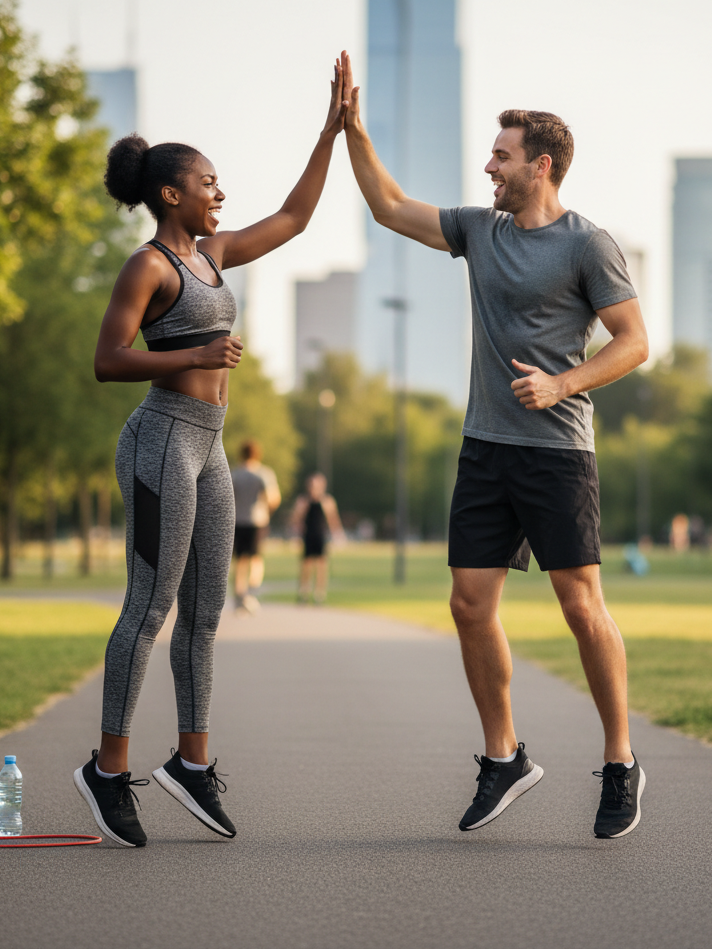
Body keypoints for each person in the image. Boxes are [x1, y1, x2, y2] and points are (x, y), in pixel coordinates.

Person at [338, 51, 649, 839]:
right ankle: (503, 757)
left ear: (540, 166)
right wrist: (353, 130)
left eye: (501, 157)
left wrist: (562, 384)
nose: (488, 167)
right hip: (485, 448)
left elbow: (634, 342)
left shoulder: (588, 245)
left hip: (557, 454)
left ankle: (619, 762)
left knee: (582, 608)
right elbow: (389, 206)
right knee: (468, 604)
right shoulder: (480, 230)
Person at [73, 61, 346, 848]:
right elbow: (108, 359)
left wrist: (330, 131)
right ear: (170, 193)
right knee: (149, 608)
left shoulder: (214, 254)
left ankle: (191, 764)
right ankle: (108, 769)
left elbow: (294, 216)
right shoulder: (149, 266)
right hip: (159, 439)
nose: (219, 193)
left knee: (205, 613)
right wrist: (193, 358)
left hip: (210, 450)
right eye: (208, 181)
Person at [230, 439, 281, 613]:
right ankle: (251, 593)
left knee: (240, 559)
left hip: (237, 520)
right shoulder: (263, 473)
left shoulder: (235, 473)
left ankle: (239, 595)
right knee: (256, 558)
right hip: (257, 520)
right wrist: (267, 511)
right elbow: (273, 497)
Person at [289, 472, 344, 604]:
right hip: (308, 536)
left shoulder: (327, 501)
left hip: (320, 535)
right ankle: (304, 591)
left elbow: (333, 520)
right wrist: (294, 533)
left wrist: (338, 535)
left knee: (321, 565)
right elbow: (295, 519)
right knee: (306, 566)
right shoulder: (303, 501)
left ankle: (320, 593)